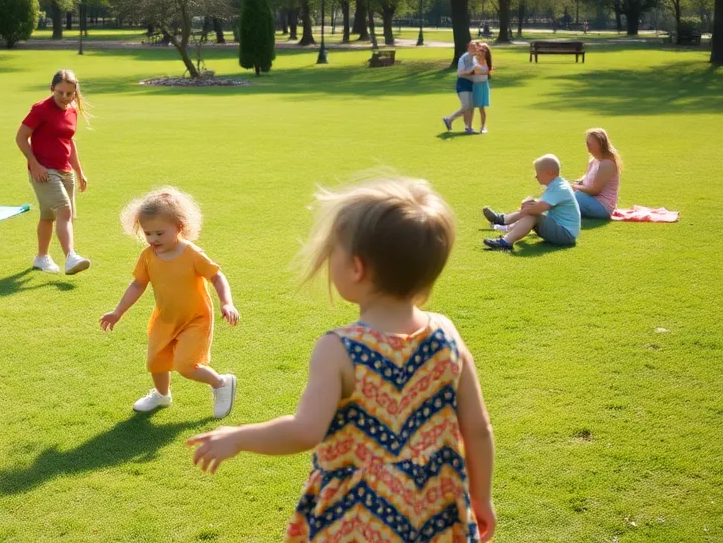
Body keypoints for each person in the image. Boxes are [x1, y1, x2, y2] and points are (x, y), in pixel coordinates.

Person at [186, 178, 495, 542]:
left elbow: (305, 430)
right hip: (437, 507)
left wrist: (239, 437)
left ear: (357, 268)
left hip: (359, 514)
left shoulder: (341, 348)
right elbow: (478, 428)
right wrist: (481, 497)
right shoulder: (447, 333)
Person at [100, 187, 240, 418]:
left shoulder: (192, 254)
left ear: (179, 227)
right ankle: (162, 395)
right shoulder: (147, 256)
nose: (153, 239)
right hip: (165, 318)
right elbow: (137, 284)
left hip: (195, 319)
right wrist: (118, 311)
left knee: (186, 366)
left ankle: (221, 383)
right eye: (148, 233)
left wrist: (227, 302)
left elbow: (216, 276)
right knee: (156, 361)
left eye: (159, 233)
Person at [15, 69, 91, 275]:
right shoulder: (40, 109)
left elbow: (69, 141)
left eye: (70, 93)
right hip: (44, 171)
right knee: (64, 210)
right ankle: (70, 257)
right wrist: (34, 163)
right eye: (60, 93)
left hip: (64, 170)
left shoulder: (72, 110)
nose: (65, 98)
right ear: (52, 89)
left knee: (49, 216)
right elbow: (21, 137)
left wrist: (79, 171)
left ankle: (41, 258)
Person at [483, 154, 581, 250]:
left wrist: (525, 208)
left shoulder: (559, 188)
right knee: (531, 209)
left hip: (566, 234)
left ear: (549, 173)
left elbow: (538, 209)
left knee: (532, 214)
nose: (536, 176)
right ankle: (505, 224)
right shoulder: (557, 184)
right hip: (563, 231)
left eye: (538, 172)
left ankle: (506, 241)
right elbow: (541, 205)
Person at [572, 128, 621, 219]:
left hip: (602, 207)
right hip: (591, 200)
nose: (587, 146)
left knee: (571, 197)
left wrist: (574, 187)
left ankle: (544, 207)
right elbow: (586, 180)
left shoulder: (607, 164)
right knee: (566, 193)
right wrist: (574, 184)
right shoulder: (594, 160)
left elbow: (595, 191)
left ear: (600, 144)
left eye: (590, 143)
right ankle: (543, 206)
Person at [443, 41, 479, 133]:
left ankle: (468, 128)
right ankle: (449, 119)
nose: (474, 49)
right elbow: (460, 72)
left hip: (471, 84)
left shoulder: (475, 59)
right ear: (468, 48)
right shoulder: (463, 58)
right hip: (462, 84)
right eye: (472, 47)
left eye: (475, 47)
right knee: (466, 106)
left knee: (471, 107)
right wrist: (471, 70)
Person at [470, 42, 493, 134]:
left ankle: (483, 127)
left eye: (484, 49)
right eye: (481, 49)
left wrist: (484, 72)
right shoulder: (474, 59)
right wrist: (485, 73)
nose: (482, 51)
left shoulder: (487, 61)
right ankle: (469, 127)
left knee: (481, 108)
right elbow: (475, 71)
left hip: (483, 85)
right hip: (474, 84)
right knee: (471, 107)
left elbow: (486, 72)